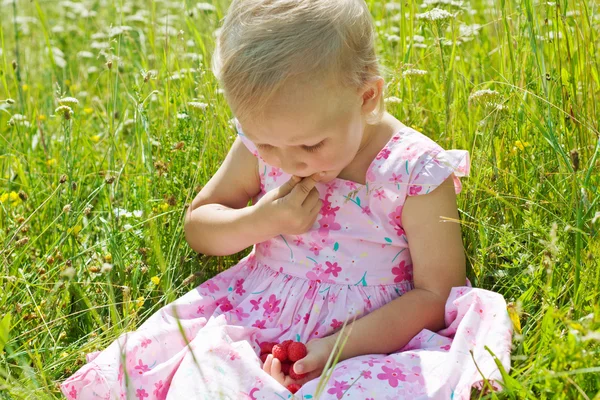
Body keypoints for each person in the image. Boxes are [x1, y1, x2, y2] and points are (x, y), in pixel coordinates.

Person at [61, 0, 513, 398]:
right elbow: (200, 224)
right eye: (266, 143)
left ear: (366, 97)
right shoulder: (270, 141)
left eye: (311, 146)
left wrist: (335, 350)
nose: (289, 162)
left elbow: (437, 293)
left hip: (370, 339)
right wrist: (262, 220)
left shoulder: (412, 170)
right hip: (255, 317)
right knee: (205, 378)